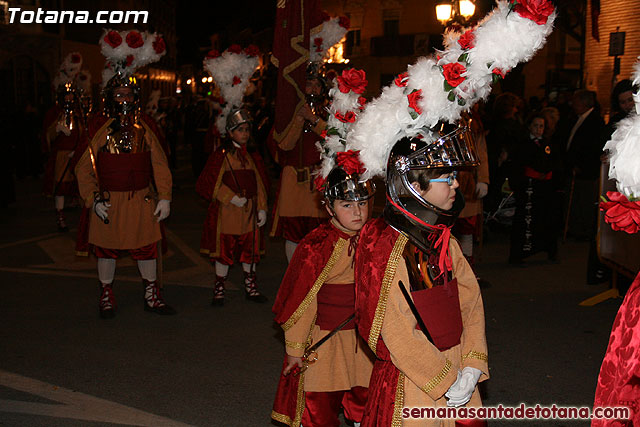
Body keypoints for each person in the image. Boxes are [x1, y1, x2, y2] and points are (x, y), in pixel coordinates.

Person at [355, 132, 489, 426]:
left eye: (454, 175)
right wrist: (444, 378)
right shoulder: (388, 248)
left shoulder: (443, 239)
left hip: (457, 369)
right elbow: (396, 331)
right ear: (415, 187)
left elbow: (470, 300)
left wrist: (472, 365)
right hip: (414, 379)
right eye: (446, 177)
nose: (455, 184)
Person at [74, 29, 174, 319]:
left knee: (146, 248)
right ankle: (106, 294)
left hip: (141, 199)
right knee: (106, 250)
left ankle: (151, 294)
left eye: (128, 94)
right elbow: (84, 168)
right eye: (118, 94)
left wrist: (165, 196)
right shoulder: (98, 128)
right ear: (109, 96)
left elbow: (159, 164)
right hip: (108, 201)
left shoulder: (146, 127)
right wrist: (93, 199)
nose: (124, 98)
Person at [272, 165, 376, 427]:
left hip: (363, 342)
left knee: (367, 403)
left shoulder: (376, 238)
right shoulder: (317, 244)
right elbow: (301, 300)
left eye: (362, 203)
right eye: (346, 205)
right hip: (325, 341)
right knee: (319, 409)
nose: (357, 212)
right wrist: (295, 349)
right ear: (329, 208)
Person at [196, 109, 269, 305]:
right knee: (224, 251)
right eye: (240, 130)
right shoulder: (221, 155)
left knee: (250, 250)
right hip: (227, 213)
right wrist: (230, 197)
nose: (244, 133)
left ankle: (250, 286)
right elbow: (209, 183)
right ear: (230, 133)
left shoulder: (253, 156)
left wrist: (262, 208)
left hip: (249, 212)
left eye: (247, 130)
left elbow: (260, 183)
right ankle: (219, 288)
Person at [270, 69, 329, 262]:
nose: (312, 88)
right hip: (293, 180)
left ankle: (314, 277)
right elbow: (284, 146)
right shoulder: (287, 113)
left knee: (319, 232)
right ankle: (293, 277)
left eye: (317, 85)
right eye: (308, 83)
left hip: (317, 180)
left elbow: (335, 139)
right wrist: (298, 119)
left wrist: (313, 120)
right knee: (293, 233)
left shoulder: (329, 113)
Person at [508, 113, 559, 265]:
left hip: (545, 188)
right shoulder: (522, 144)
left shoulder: (549, 144)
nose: (538, 129)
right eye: (536, 126)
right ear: (530, 127)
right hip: (528, 187)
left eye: (541, 126)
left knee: (546, 218)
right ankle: (518, 254)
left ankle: (548, 249)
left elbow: (555, 163)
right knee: (525, 219)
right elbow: (517, 165)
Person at [42, 52, 84, 231]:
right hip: (61, 154)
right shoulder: (54, 112)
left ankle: (85, 218)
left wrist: (80, 148)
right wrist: (55, 130)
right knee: (60, 187)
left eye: (71, 95)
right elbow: (46, 135)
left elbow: (85, 132)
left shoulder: (79, 113)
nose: (69, 98)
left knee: (82, 185)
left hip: (77, 153)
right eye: (66, 96)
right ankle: (60, 216)